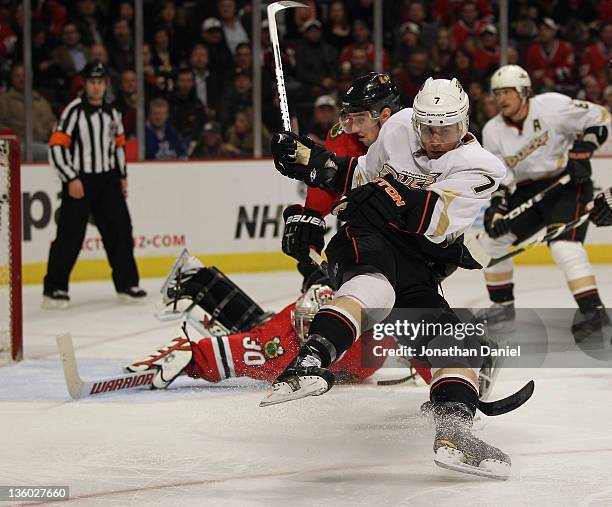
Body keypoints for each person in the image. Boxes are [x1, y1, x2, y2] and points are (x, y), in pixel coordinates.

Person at [269, 77, 511, 479]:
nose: (434, 137)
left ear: (464, 123)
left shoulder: (482, 167)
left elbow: (432, 217)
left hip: (418, 255)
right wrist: (314, 162)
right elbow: (360, 176)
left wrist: (386, 190)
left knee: (457, 343)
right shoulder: (399, 127)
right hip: (367, 235)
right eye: (427, 126)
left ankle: (455, 433)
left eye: (444, 129)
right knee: (374, 287)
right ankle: (309, 361)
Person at [125, 251, 398, 388]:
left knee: (314, 269)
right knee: (264, 329)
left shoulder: (372, 330)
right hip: (321, 308)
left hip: (336, 302)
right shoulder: (283, 343)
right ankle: (195, 282)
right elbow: (236, 352)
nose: (304, 334)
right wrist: (191, 356)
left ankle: (196, 281)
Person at [479, 64, 611, 342]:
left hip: (567, 184)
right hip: (528, 191)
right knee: (491, 241)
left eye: (508, 92)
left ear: (524, 92)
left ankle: (593, 313)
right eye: (498, 93)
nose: (502, 99)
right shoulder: (492, 130)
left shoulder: (552, 106)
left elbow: (600, 118)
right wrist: (497, 206)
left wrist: (583, 150)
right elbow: (501, 175)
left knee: (564, 246)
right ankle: (502, 309)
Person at [281, 73, 400, 292]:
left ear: (385, 115)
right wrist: (310, 218)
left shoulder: (414, 138)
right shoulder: (344, 138)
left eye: (361, 119)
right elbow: (326, 185)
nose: (353, 127)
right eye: (349, 118)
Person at [43, 63, 146, 308]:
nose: (96, 87)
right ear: (85, 84)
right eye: (92, 82)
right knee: (70, 234)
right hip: (81, 178)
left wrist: (122, 175)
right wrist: (70, 178)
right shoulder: (74, 112)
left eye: (100, 82)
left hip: (108, 179)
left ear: (106, 85)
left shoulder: (112, 112)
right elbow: (56, 146)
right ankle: (54, 288)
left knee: (120, 229)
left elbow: (119, 145)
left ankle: (127, 284)